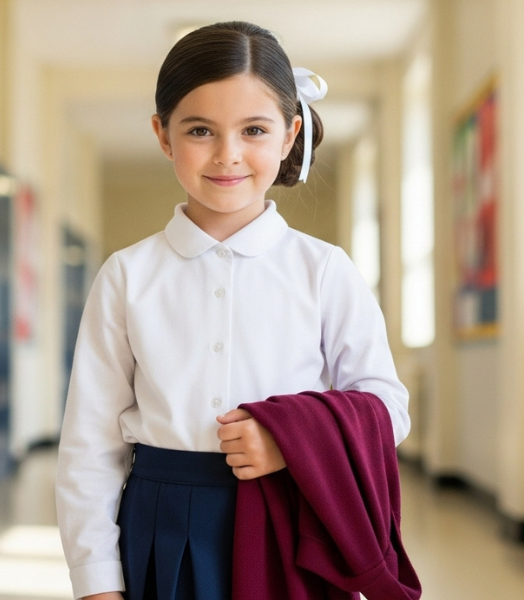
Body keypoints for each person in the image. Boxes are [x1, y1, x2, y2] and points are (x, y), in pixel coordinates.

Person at [56, 21, 411, 600]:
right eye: (200, 130)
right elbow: (90, 445)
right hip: (161, 527)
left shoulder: (324, 270)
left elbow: (388, 407)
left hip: (290, 519)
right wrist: (95, 582)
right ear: (163, 135)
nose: (228, 155)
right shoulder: (127, 275)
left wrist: (290, 442)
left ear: (290, 134)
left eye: (254, 130)